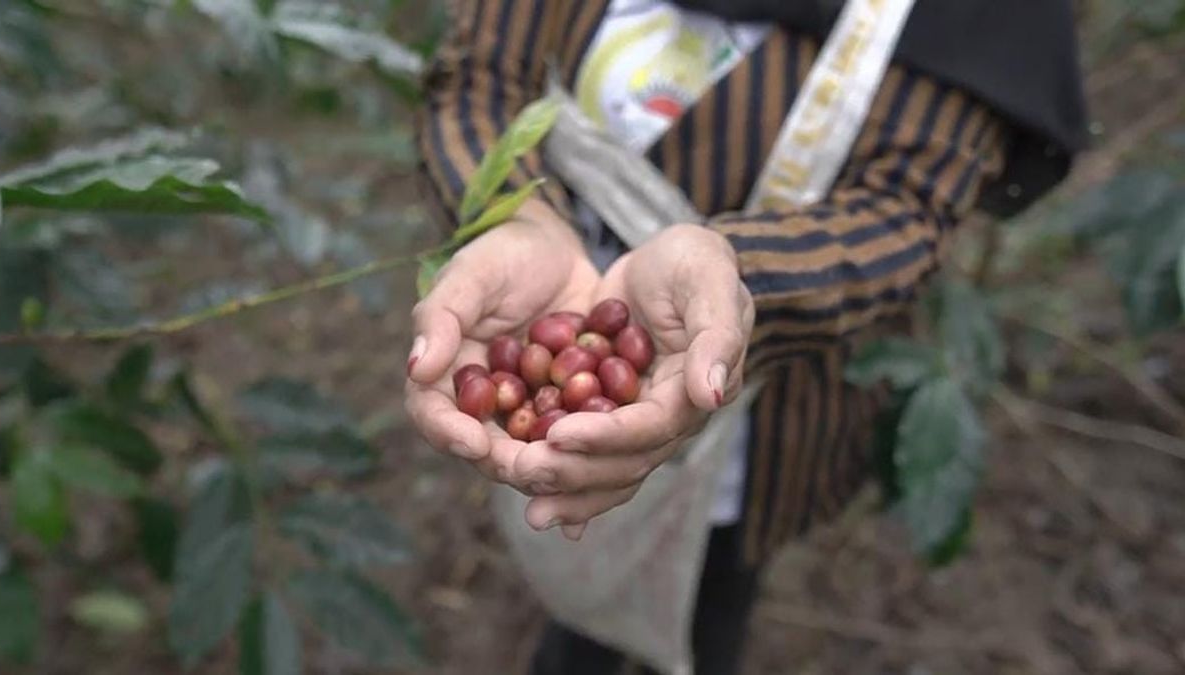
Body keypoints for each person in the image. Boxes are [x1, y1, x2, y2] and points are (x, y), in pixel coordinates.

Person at [406, 1, 1088, 673]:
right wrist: (517, 220)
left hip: (764, 418)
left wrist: (737, 280)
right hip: (543, 303)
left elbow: (908, 208)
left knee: (712, 602)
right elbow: (480, 78)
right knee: (579, 594)